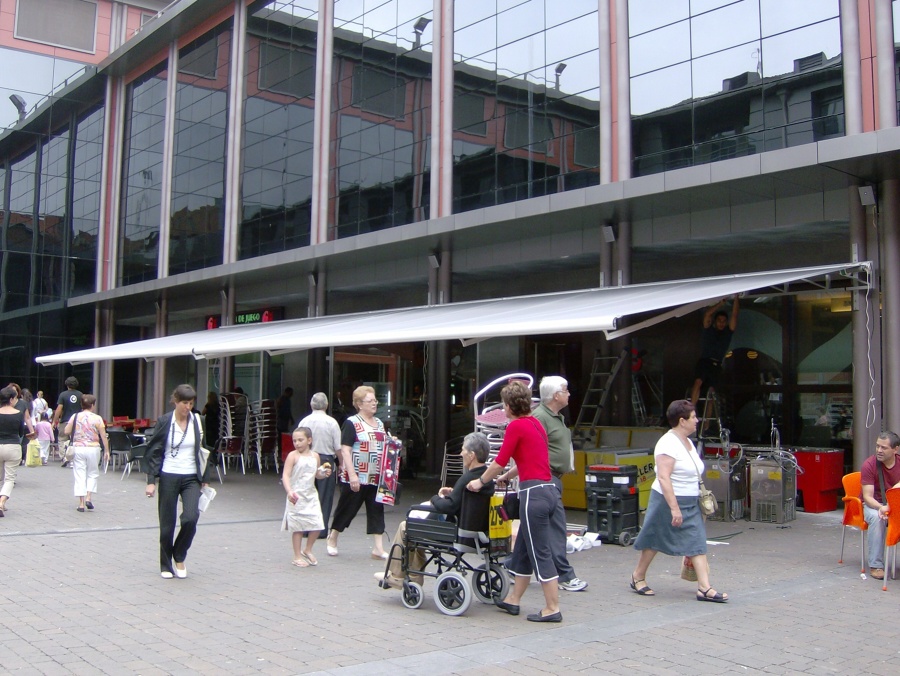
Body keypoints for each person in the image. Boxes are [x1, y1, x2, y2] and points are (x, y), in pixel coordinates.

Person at [466, 380, 566, 623]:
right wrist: (506, 477)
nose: (503, 408)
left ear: (510, 406)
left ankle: (552, 608)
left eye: (504, 404)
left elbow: (500, 460)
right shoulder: (536, 423)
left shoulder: (516, 426)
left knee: (540, 553)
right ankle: (513, 600)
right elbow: (527, 460)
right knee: (523, 549)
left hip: (533, 495)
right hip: (549, 490)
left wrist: (480, 481)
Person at [630, 399, 728, 603]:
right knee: (654, 539)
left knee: (697, 540)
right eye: (693, 417)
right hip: (667, 500)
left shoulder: (688, 442)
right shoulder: (667, 443)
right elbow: (664, 477)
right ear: (682, 421)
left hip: (690, 501)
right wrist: (674, 508)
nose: (697, 420)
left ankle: (704, 588)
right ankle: (638, 576)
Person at [376, 431, 494, 589]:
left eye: (463, 450)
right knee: (417, 528)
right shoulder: (486, 479)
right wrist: (453, 493)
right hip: (477, 534)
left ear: (472, 455)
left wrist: (435, 498)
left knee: (407, 526)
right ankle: (414, 576)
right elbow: (463, 500)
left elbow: (449, 507)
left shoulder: (467, 478)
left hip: (455, 532)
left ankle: (397, 576)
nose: (461, 454)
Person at [145, 384, 210, 579]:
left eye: (191, 403)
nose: (188, 407)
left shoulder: (197, 421)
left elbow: (204, 449)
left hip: (191, 476)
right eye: (184, 403)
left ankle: (179, 554)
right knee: (167, 523)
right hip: (169, 475)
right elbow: (154, 450)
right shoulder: (165, 421)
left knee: (191, 517)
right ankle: (166, 565)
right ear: (175, 401)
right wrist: (151, 480)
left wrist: (205, 478)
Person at [532, 376, 588, 592]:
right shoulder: (540, 417)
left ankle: (514, 565)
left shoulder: (556, 417)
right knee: (557, 528)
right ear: (556, 395)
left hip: (552, 478)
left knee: (533, 529)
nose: (569, 394)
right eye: (565, 390)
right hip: (546, 479)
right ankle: (564, 575)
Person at [325, 385, 390, 560]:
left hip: (375, 476)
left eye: (375, 400)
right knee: (347, 508)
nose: (374, 403)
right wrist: (352, 475)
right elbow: (345, 450)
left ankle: (378, 548)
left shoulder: (379, 423)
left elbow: (384, 445)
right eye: (370, 401)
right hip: (356, 476)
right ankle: (333, 537)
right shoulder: (351, 423)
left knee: (377, 509)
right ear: (360, 404)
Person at [281, 427, 332, 567]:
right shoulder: (292, 456)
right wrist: (289, 491)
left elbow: (316, 474)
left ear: (309, 440)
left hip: (311, 494)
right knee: (298, 527)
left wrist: (323, 473)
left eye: (300, 440)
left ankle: (307, 549)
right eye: (294, 441)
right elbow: (286, 475)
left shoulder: (315, 456)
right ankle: (297, 556)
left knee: (317, 523)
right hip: (296, 495)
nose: (297, 443)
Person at [297, 392, 342, 539]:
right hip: (326, 460)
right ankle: (320, 530)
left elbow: (297, 442)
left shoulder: (304, 422)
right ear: (327, 405)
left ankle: (305, 528)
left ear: (311, 405)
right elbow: (338, 447)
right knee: (325, 496)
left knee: (306, 494)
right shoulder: (332, 422)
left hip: (306, 459)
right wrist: (342, 463)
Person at [860, 432, 900, 581]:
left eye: (884, 447)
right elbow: (867, 497)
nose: (879, 450)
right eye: (877, 446)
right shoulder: (869, 465)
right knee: (878, 519)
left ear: (895, 449)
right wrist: (881, 507)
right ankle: (876, 565)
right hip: (874, 504)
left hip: (895, 504)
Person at [63, 394, 110, 512]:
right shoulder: (97, 418)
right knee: (92, 473)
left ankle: (81, 504)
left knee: (79, 474)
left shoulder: (75, 416)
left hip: (78, 448)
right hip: (93, 448)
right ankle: (89, 497)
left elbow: (66, 431)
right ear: (92, 405)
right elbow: (103, 436)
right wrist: (107, 450)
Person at [690, 295, 739, 406]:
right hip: (704, 361)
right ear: (715, 322)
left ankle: (707, 417)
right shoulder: (708, 329)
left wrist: (736, 297)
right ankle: (691, 409)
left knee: (712, 391)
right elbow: (707, 314)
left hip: (717, 364)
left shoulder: (728, 333)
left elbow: (735, 315)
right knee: (698, 382)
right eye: (719, 320)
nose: (721, 323)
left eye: (724, 321)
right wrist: (720, 304)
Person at [0, 386, 34, 516]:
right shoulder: (18, 414)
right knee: (9, 478)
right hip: (13, 447)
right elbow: (20, 432)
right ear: (11, 399)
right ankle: (2, 502)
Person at [52, 377, 83, 468]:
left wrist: (54, 421)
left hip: (65, 421)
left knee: (62, 439)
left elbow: (59, 409)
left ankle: (64, 458)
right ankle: (74, 459)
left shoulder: (63, 395)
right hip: (77, 421)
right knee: (76, 440)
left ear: (67, 384)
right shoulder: (80, 395)